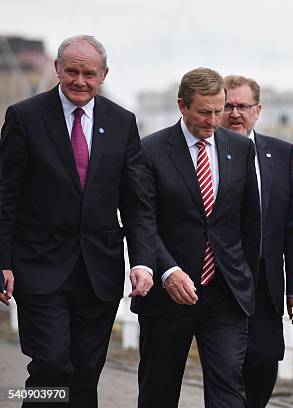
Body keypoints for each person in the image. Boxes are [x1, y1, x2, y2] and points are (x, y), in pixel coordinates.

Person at [0, 35, 156, 407]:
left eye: (89, 73)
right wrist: (3, 261)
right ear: (57, 69)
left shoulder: (122, 122)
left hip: (98, 270)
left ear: (103, 75)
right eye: (72, 71)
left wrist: (143, 262)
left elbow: (136, 202)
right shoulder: (24, 117)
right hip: (39, 266)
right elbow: (5, 195)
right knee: (51, 365)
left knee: (86, 372)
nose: (80, 81)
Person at [131, 67, 261, 408]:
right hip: (167, 293)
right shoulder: (150, 151)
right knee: (159, 390)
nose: (214, 119)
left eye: (219, 110)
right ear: (182, 106)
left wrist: (246, 279)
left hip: (225, 292)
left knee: (230, 390)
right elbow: (142, 222)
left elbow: (249, 223)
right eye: (205, 111)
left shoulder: (240, 148)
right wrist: (167, 270)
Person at [220, 75, 293, 408]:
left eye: (243, 106)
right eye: (228, 106)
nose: (235, 113)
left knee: (265, 359)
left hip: (266, 281)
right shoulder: (206, 152)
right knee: (226, 365)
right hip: (219, 278)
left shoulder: (282, 154)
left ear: (258, 110)